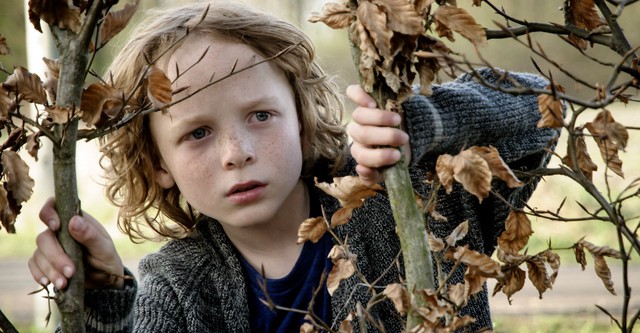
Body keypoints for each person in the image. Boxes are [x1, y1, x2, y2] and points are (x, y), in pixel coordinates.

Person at [28, 1, 560, 332]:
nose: (236, 151)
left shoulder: (406, 200)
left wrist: (420, 127)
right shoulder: (177, 285)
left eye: (260, 115)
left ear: (302, 121)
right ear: (159, 163)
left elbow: (541, 105)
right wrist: (100, 301)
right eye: (197, 133)